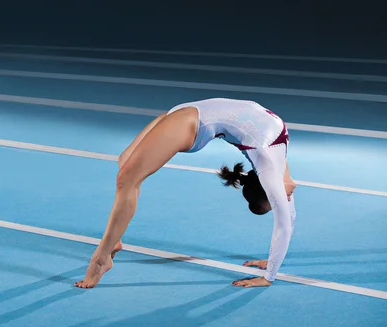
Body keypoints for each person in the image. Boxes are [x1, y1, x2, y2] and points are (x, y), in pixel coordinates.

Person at [75, 98, 297, 289]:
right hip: (191, 122)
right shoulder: (269, 167)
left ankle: (106, 251)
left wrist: (271, 261)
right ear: (268, 190)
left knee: (127, 173)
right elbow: (284, 223)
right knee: (125, 168)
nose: (285, 199)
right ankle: (108, 251)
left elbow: (288, 216)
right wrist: (269, 278)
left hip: (191, 114)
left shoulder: (278, 160)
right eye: (278, 200)